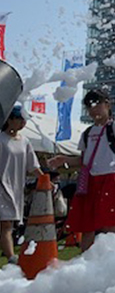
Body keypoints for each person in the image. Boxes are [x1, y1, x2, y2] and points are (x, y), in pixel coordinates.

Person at [49, 89, 115, 252]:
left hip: (110, 179)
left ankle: (106, 257)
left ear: (107, 105)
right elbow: (84, 160)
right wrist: (65, 159)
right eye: (89, 106)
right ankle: (85, 258)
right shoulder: (87, 133)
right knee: (87, 225)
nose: (93, 109)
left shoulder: (113, 127)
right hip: (90, 181)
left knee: (108, 224)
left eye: (97, 105)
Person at [0, 105, 42, 265]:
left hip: (16, 187)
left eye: (24, 120)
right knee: (5, 223)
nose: (23, 123)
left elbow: (33, 165)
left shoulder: (25, 142)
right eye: (19, 119)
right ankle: (11, 257)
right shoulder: (1, 139)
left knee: (8, 223)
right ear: (10, 120)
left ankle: (10, 254)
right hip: (2, 186)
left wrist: (44, 179)